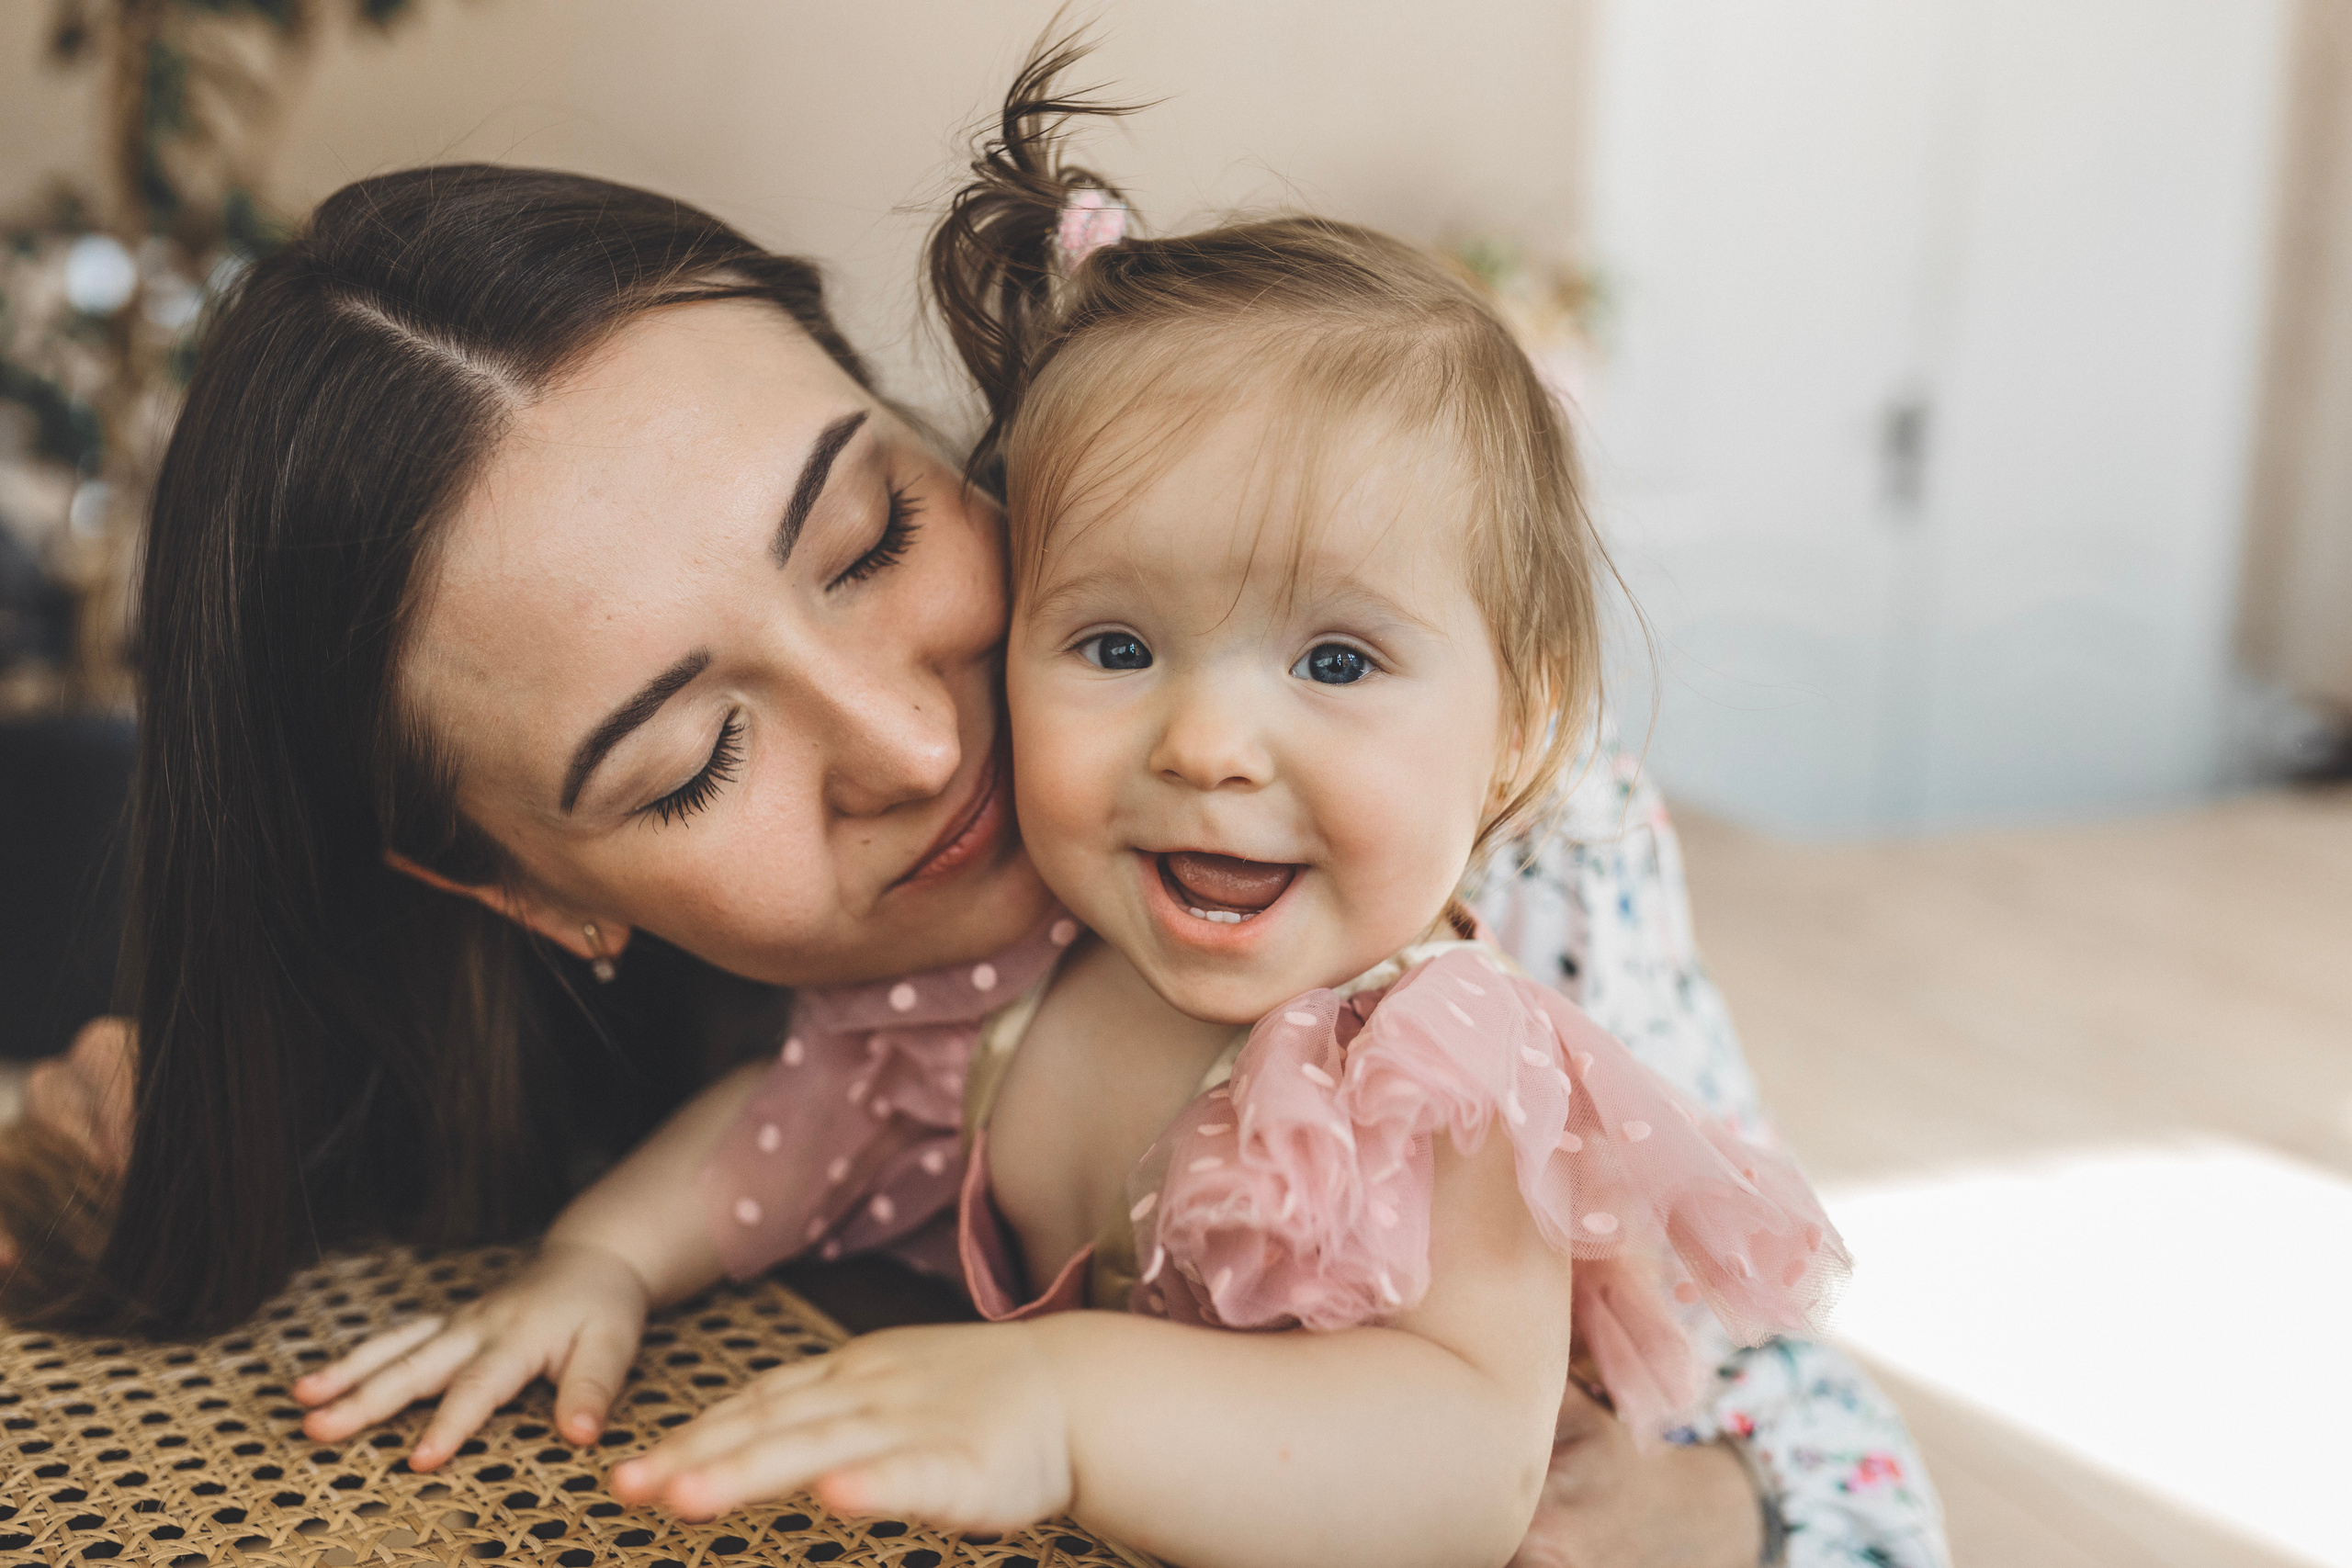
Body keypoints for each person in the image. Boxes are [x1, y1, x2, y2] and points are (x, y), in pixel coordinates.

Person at [1, 72, 1947, 1568]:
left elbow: (1823, 1441)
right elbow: (776, 1133)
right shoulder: (895, 1029)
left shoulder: (1477, 886)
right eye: (689, 758)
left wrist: (1706, 1516)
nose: (912, 743)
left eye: (871, 536)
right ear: (517, 884)